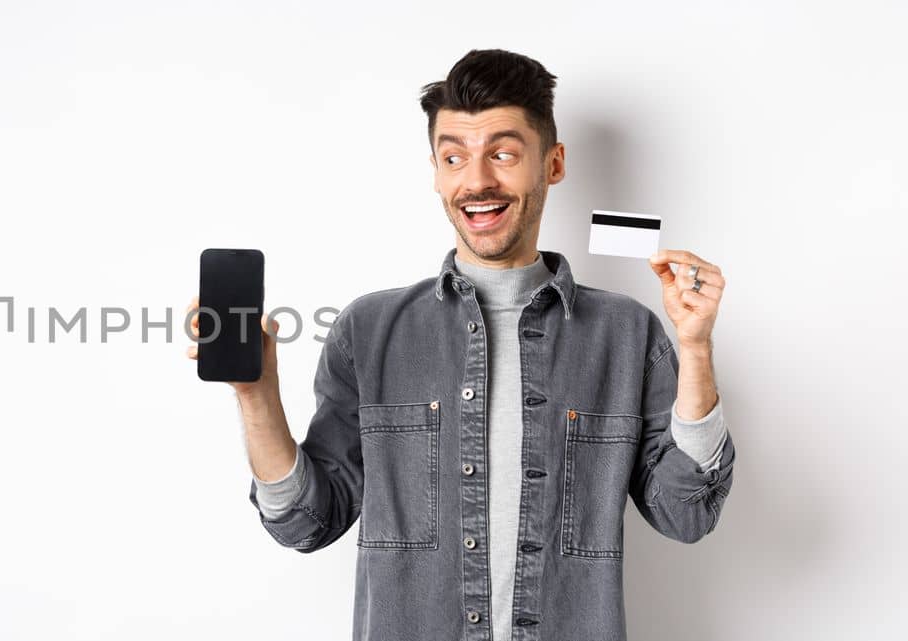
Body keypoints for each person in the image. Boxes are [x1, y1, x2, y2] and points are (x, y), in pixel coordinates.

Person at [184, 49, 734, 640]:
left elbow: (687, 513)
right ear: (436, 171)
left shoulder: (626, 334)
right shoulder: (369, 331)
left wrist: (697, 348)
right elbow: (306, 524)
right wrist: (256, 393)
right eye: (454, 157)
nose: (477, 181)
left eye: (502, 153)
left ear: (552, 164)